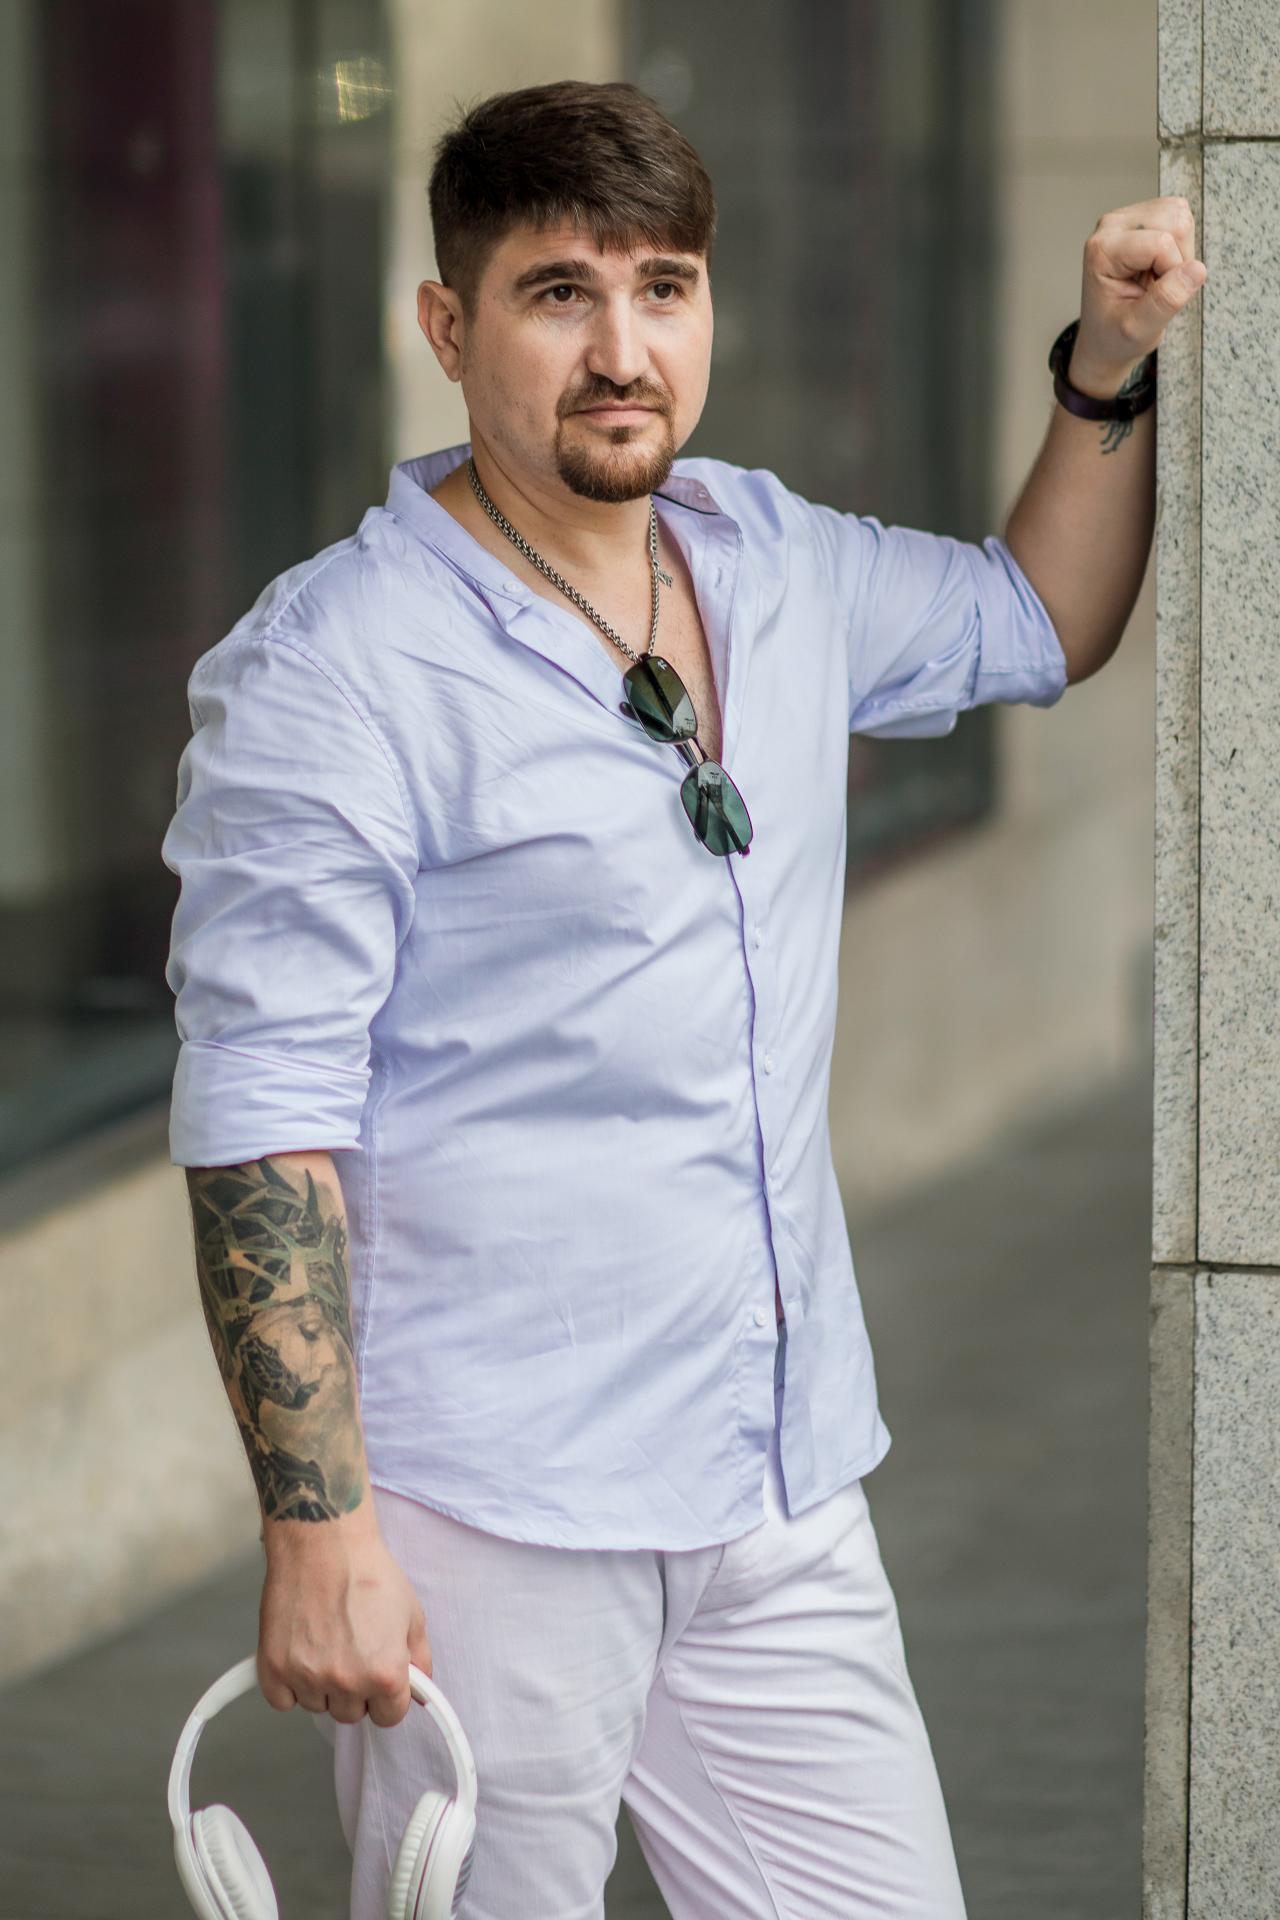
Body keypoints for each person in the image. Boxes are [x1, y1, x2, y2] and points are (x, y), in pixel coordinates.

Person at [161, 76, 1202, 1920]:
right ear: (447, 328)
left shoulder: (770, 558)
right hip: (496, 1515)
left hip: (773, 1473)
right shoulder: (334, 669)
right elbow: (265, 1122)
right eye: (558, 294)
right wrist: (319, 1531)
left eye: (664, 287)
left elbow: (1040, 618)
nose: (622, 350)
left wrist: (1106, 367)